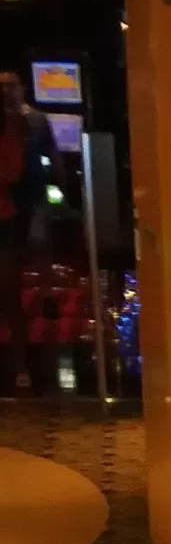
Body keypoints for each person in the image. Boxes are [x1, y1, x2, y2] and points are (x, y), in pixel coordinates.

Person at [0, 72, 59, 394]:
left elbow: (13, 171)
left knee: (10, 291)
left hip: (10, 209)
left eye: (9, 85)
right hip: (11, 206)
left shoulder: (23, 123)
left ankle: (21, 365)